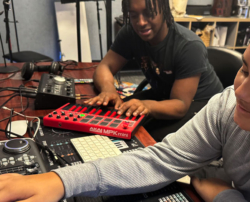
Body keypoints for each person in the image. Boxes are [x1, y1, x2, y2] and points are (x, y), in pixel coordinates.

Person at [1, 0, 250, 201]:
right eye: (245, 70)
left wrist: (225, 195)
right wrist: (60, 180)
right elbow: (159, 160)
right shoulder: (227, 105)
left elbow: (180, 105)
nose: (240, 91)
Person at [83, 0, 223, 141]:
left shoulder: (189, 46)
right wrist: (108, 90)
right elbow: (104, 67)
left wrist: (147, 106)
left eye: (149, 14)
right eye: (133, 15)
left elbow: (180, 104)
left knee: (145, 139)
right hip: (164, 94)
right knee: (114, 116)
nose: (141, 22)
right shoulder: (130, 33)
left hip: (201, 104)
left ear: (164, 11)